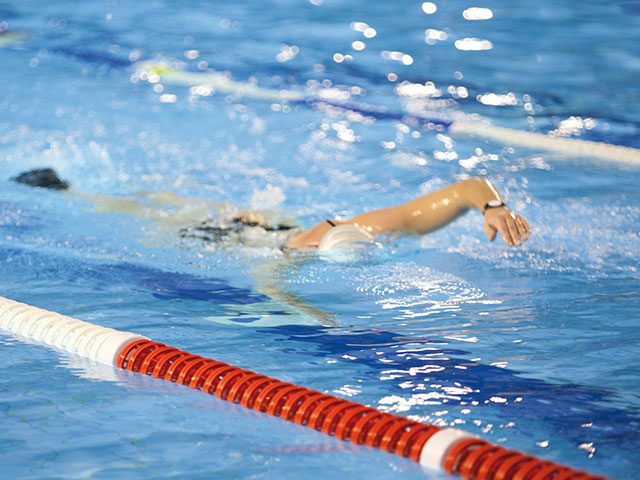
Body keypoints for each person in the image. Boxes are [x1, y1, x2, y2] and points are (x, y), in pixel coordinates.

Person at [12, 168, 530, 252]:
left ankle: (66, 188)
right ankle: (63, 189)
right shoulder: (300, 248)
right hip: (221, 233)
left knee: (142, 208)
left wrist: (492, 204)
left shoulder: (367, 230)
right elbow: (276, 288)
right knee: (142, 213)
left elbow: (469, 186)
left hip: (263, 230)